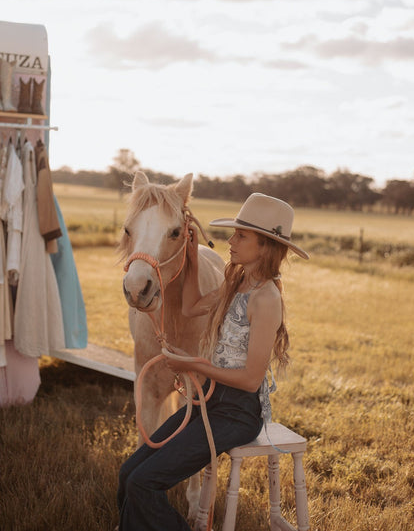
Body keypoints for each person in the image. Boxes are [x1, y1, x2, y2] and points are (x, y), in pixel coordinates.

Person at [117, 193, 309, 531]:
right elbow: (191, 306)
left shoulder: (266, 299)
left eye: (240, 235)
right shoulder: (236, 282)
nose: (230, 241)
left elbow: (251, 381)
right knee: (128, 472)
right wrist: (190, 255)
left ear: (264, 246)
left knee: (142, 483)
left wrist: (194, 365)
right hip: (209, 400)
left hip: (237, 412)